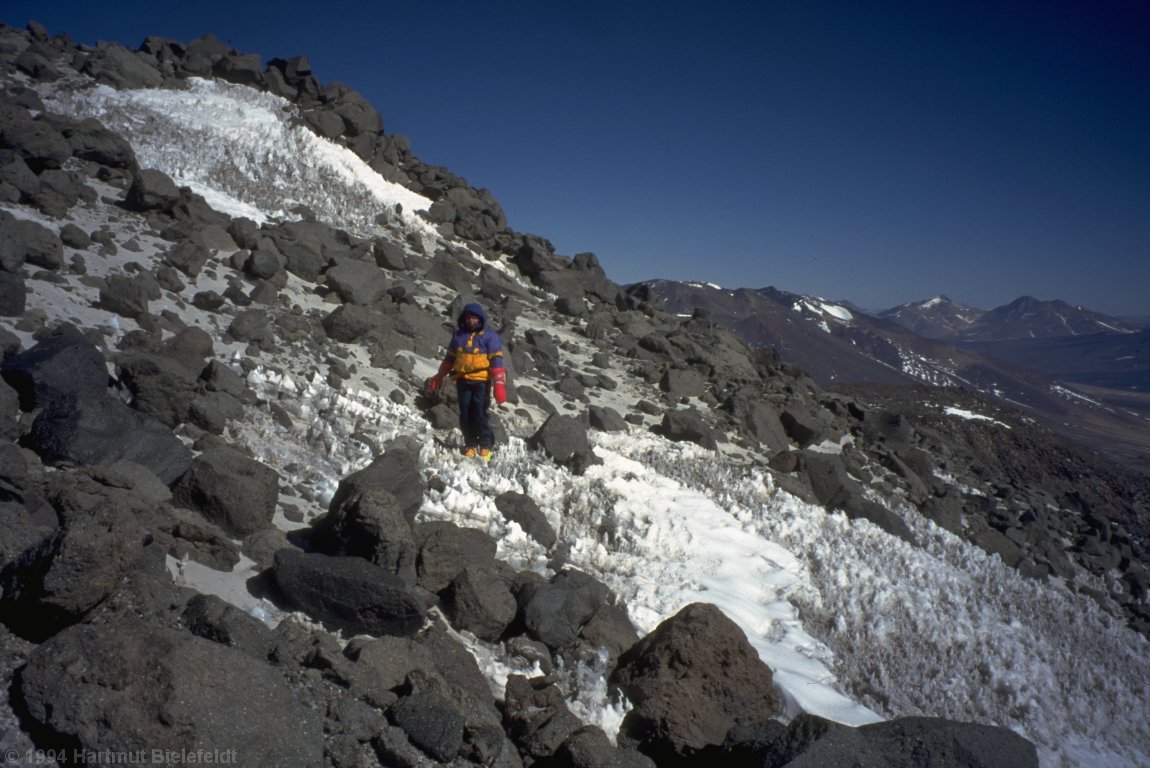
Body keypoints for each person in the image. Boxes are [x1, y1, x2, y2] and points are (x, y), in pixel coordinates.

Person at [426, 302, 507, 460]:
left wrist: (499, 385)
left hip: (481, 382)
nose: (472, 320)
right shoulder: (459, 336)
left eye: (475, 318)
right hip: (463, 380)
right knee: (464, 414)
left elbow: (497, 361)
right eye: (469, 317)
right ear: (464, 318)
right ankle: (470, 444)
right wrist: (439, 376)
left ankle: (485, 445)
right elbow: (449, 359)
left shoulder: (490, 336)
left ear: (480, 319)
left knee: (479, 413)